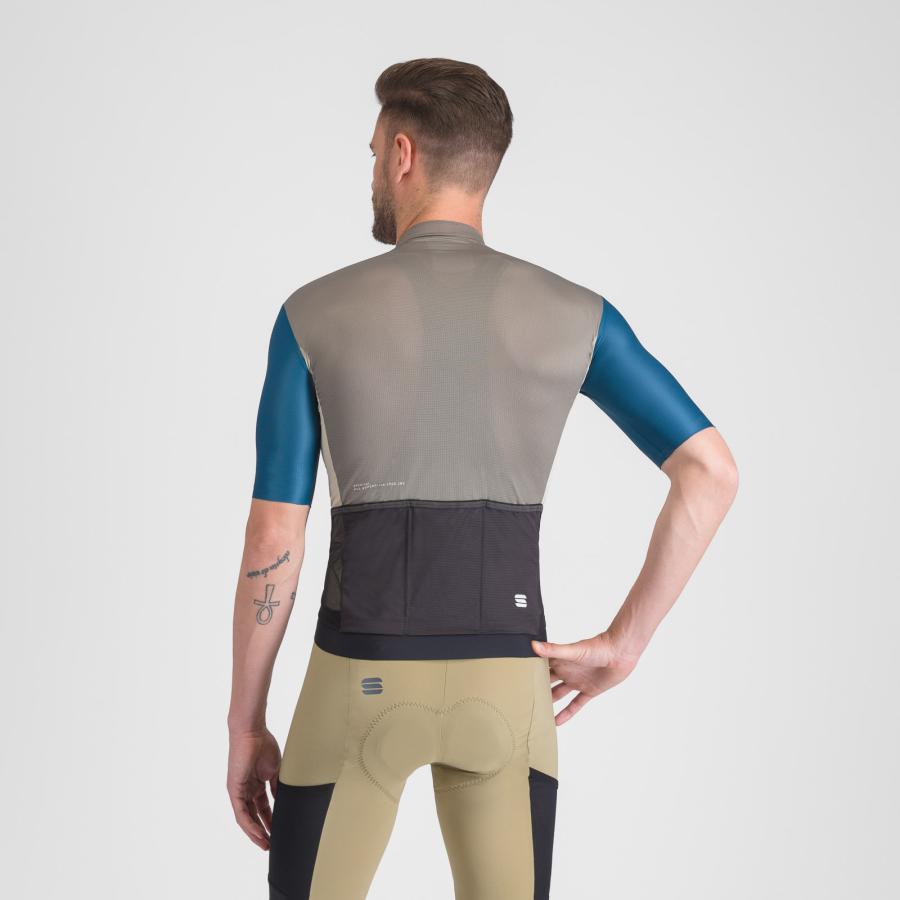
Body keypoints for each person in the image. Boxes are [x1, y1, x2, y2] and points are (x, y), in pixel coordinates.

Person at [227, 57, 738, 900]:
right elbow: (710, 471)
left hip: (359, 674)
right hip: (509, 683)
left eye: (372, 154)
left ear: (402, 154)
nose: (372, 173)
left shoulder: (310, 315)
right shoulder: (578, 315)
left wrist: (246, 724)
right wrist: (624, 644)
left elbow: (272, 534)